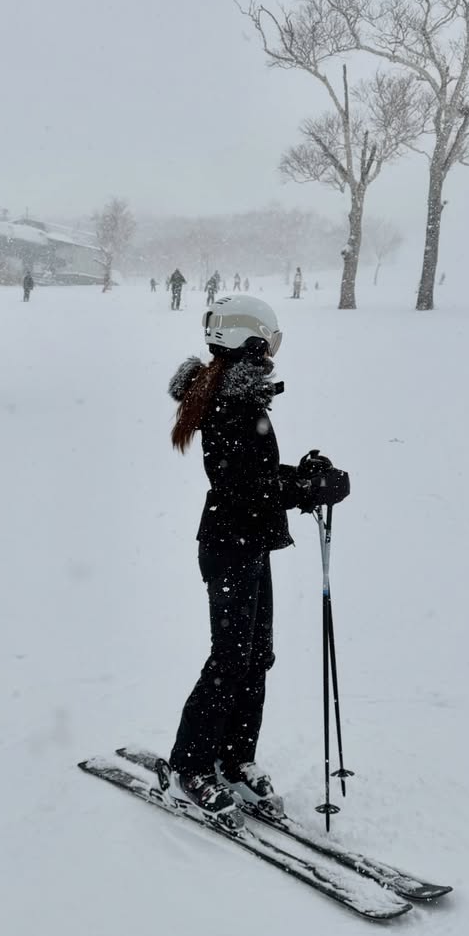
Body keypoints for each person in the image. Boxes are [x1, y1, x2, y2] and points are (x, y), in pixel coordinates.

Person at [167, 294, 350, 823]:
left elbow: (256, 476)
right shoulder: (230, 400)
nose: (272, 350)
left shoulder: (237, 395)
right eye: (268, 340)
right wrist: (304, 486)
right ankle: (193, 764)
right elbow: (243, 483)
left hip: (248, 543)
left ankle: (235, 757)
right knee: (230, 660)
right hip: (228, 547)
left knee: (255, 657)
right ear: (249, 341)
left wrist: (302, 475)